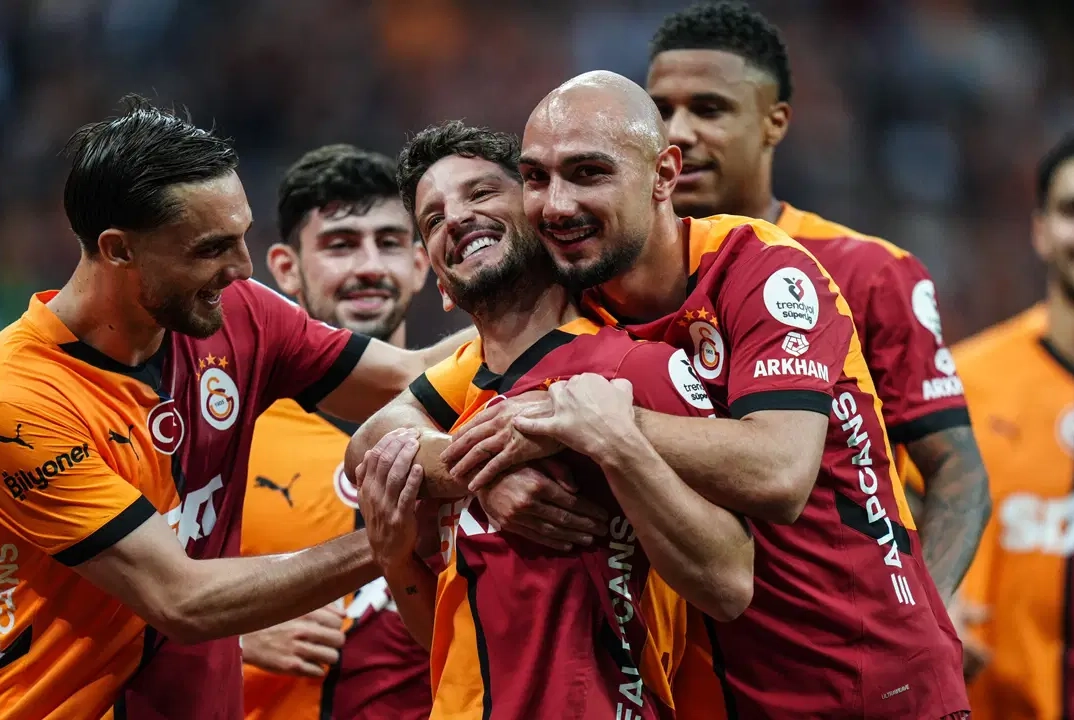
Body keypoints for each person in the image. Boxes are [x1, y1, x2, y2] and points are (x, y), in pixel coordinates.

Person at [419, 73, 969, 718]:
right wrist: (483, 469)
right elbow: (397, 413)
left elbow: (779, 474)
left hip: (870, 684)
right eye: (536, 178)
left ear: (664, 175)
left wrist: (591, 425)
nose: (557, 205)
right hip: (722, 694)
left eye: (589, 173)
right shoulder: (577, 303)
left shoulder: (759, 267)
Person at [0, 96, 472, 720]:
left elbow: (414, 377)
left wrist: (556, 304)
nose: (243, 268)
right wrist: (388, 539)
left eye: (243, 236)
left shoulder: (240, 313)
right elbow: (181, 601)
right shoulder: (20, 398)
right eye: (210, 249)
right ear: (117, 250)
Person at [349, 120, 755, 720]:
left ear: (544, 221)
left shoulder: (634, 368)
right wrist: (400, 556)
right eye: (433, 220)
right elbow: (455, 646)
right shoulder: (465, 397)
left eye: (481, 193)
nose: (456, 218)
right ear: (441, 284)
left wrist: (613, 443)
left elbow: (730, 582)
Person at [645, 0, 989, 606]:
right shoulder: (622, 276)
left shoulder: (870, 273)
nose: (678, 132)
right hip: (673, 643)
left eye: (709, 109)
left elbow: (957, 474)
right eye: (661, 111)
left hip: (830, 641)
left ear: (774, 122)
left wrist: (921, 617)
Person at [238, 145, 432, 720]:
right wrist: (228, 635)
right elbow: (111, 589)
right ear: (285, 268)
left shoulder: (472, 415)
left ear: (421, 264)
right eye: (340, 244)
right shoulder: (228, 427)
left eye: (389, 242)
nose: (369, 266)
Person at [902, 132, 1074, 719]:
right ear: (1040, 231)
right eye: (1073, 211)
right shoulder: (965, 384)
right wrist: (937, 599)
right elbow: (892, 530)